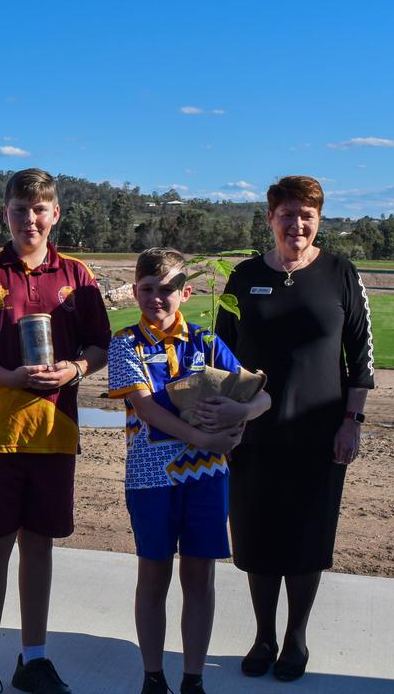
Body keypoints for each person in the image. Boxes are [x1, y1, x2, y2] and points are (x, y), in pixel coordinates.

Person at [0, 168, 111, 694]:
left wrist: (75, 371)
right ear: (6, 214)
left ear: (55, 214)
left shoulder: (77, 275)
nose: (30, 219)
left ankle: (33, 658)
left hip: (54, 432)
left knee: (39, 544)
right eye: (20, 209)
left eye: (40, 209)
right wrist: (7, 378)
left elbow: (99, 347)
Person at [215, 175, 375, 683]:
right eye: (287, 214)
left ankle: (295, 639)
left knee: (307, 537)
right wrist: (221, 419)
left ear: (319, 220)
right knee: (258, 536)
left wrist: (351, 421)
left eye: (307, 214)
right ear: (270, 219)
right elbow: (219, 357)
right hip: (253, 435)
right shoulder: (242, 277)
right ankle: (263, 636)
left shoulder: (340, 274)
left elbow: (362, 356)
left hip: (320, 433)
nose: (297, 223)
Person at [107, 247, 271, 694]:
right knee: (154, 575)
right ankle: (153, 675)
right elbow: (144, 407)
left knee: (200, 577)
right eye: (146, 290)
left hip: (206, 479)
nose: (156, 299)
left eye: (166, 290)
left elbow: (262, 396)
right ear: (134, 292)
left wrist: (243, 412)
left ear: (187, 292)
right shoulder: (125, 343)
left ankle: (193, 678)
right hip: (151, 478)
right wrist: (206, 439)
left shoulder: (207, 342)